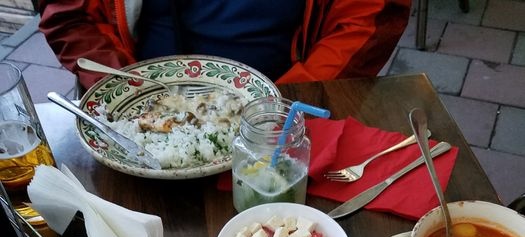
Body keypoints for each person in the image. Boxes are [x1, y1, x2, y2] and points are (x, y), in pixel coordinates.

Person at [38, 0, 411, 91]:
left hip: (288, 103)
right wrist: (125, 90)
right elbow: (69, 17)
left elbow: (370, 18)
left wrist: (289, 103)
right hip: (142, 97)